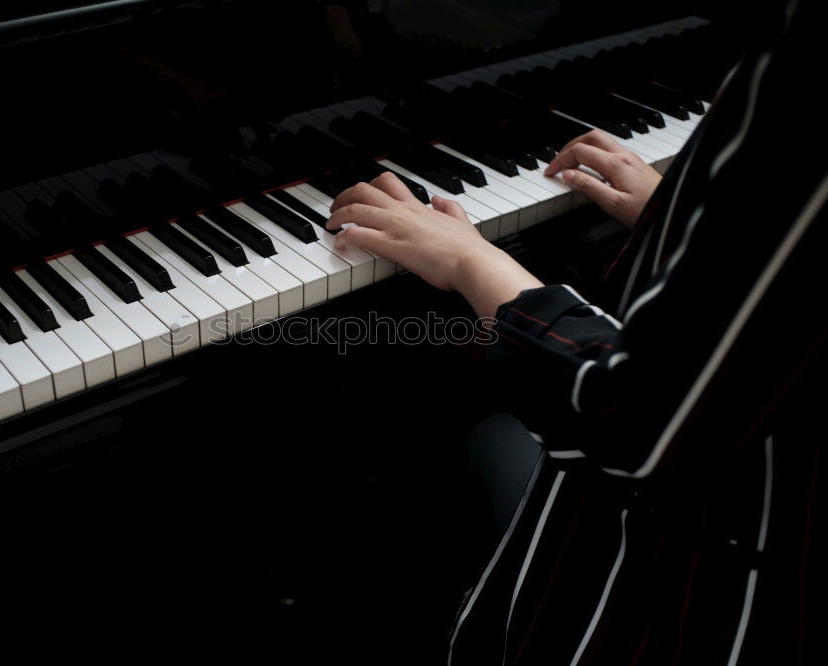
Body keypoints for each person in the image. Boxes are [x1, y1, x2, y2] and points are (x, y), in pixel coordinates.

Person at [324, 0, 826, 663]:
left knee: (468, 428)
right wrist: (688, 224)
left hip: (697, 600)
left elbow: (638, 420)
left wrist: (473, 262)